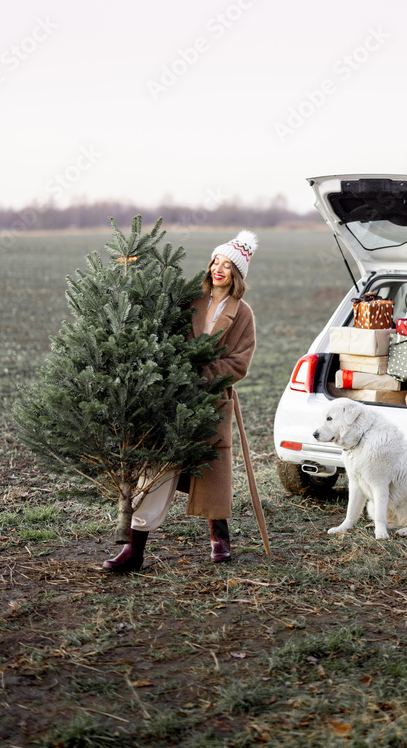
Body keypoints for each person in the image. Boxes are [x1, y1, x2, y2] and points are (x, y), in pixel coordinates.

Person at [102, 230, 258, 573]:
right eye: (216, 260)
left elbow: (240, 363)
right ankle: (135, 549)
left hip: (212, 400)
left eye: (228, 264)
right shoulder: (191, 300)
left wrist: (203, 372)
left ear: (238, 274)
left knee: (213, 473)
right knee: (158, 468)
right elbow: (162, 327)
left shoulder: (242, 314)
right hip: (173, 398)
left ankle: (220, 536)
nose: (219, 268)